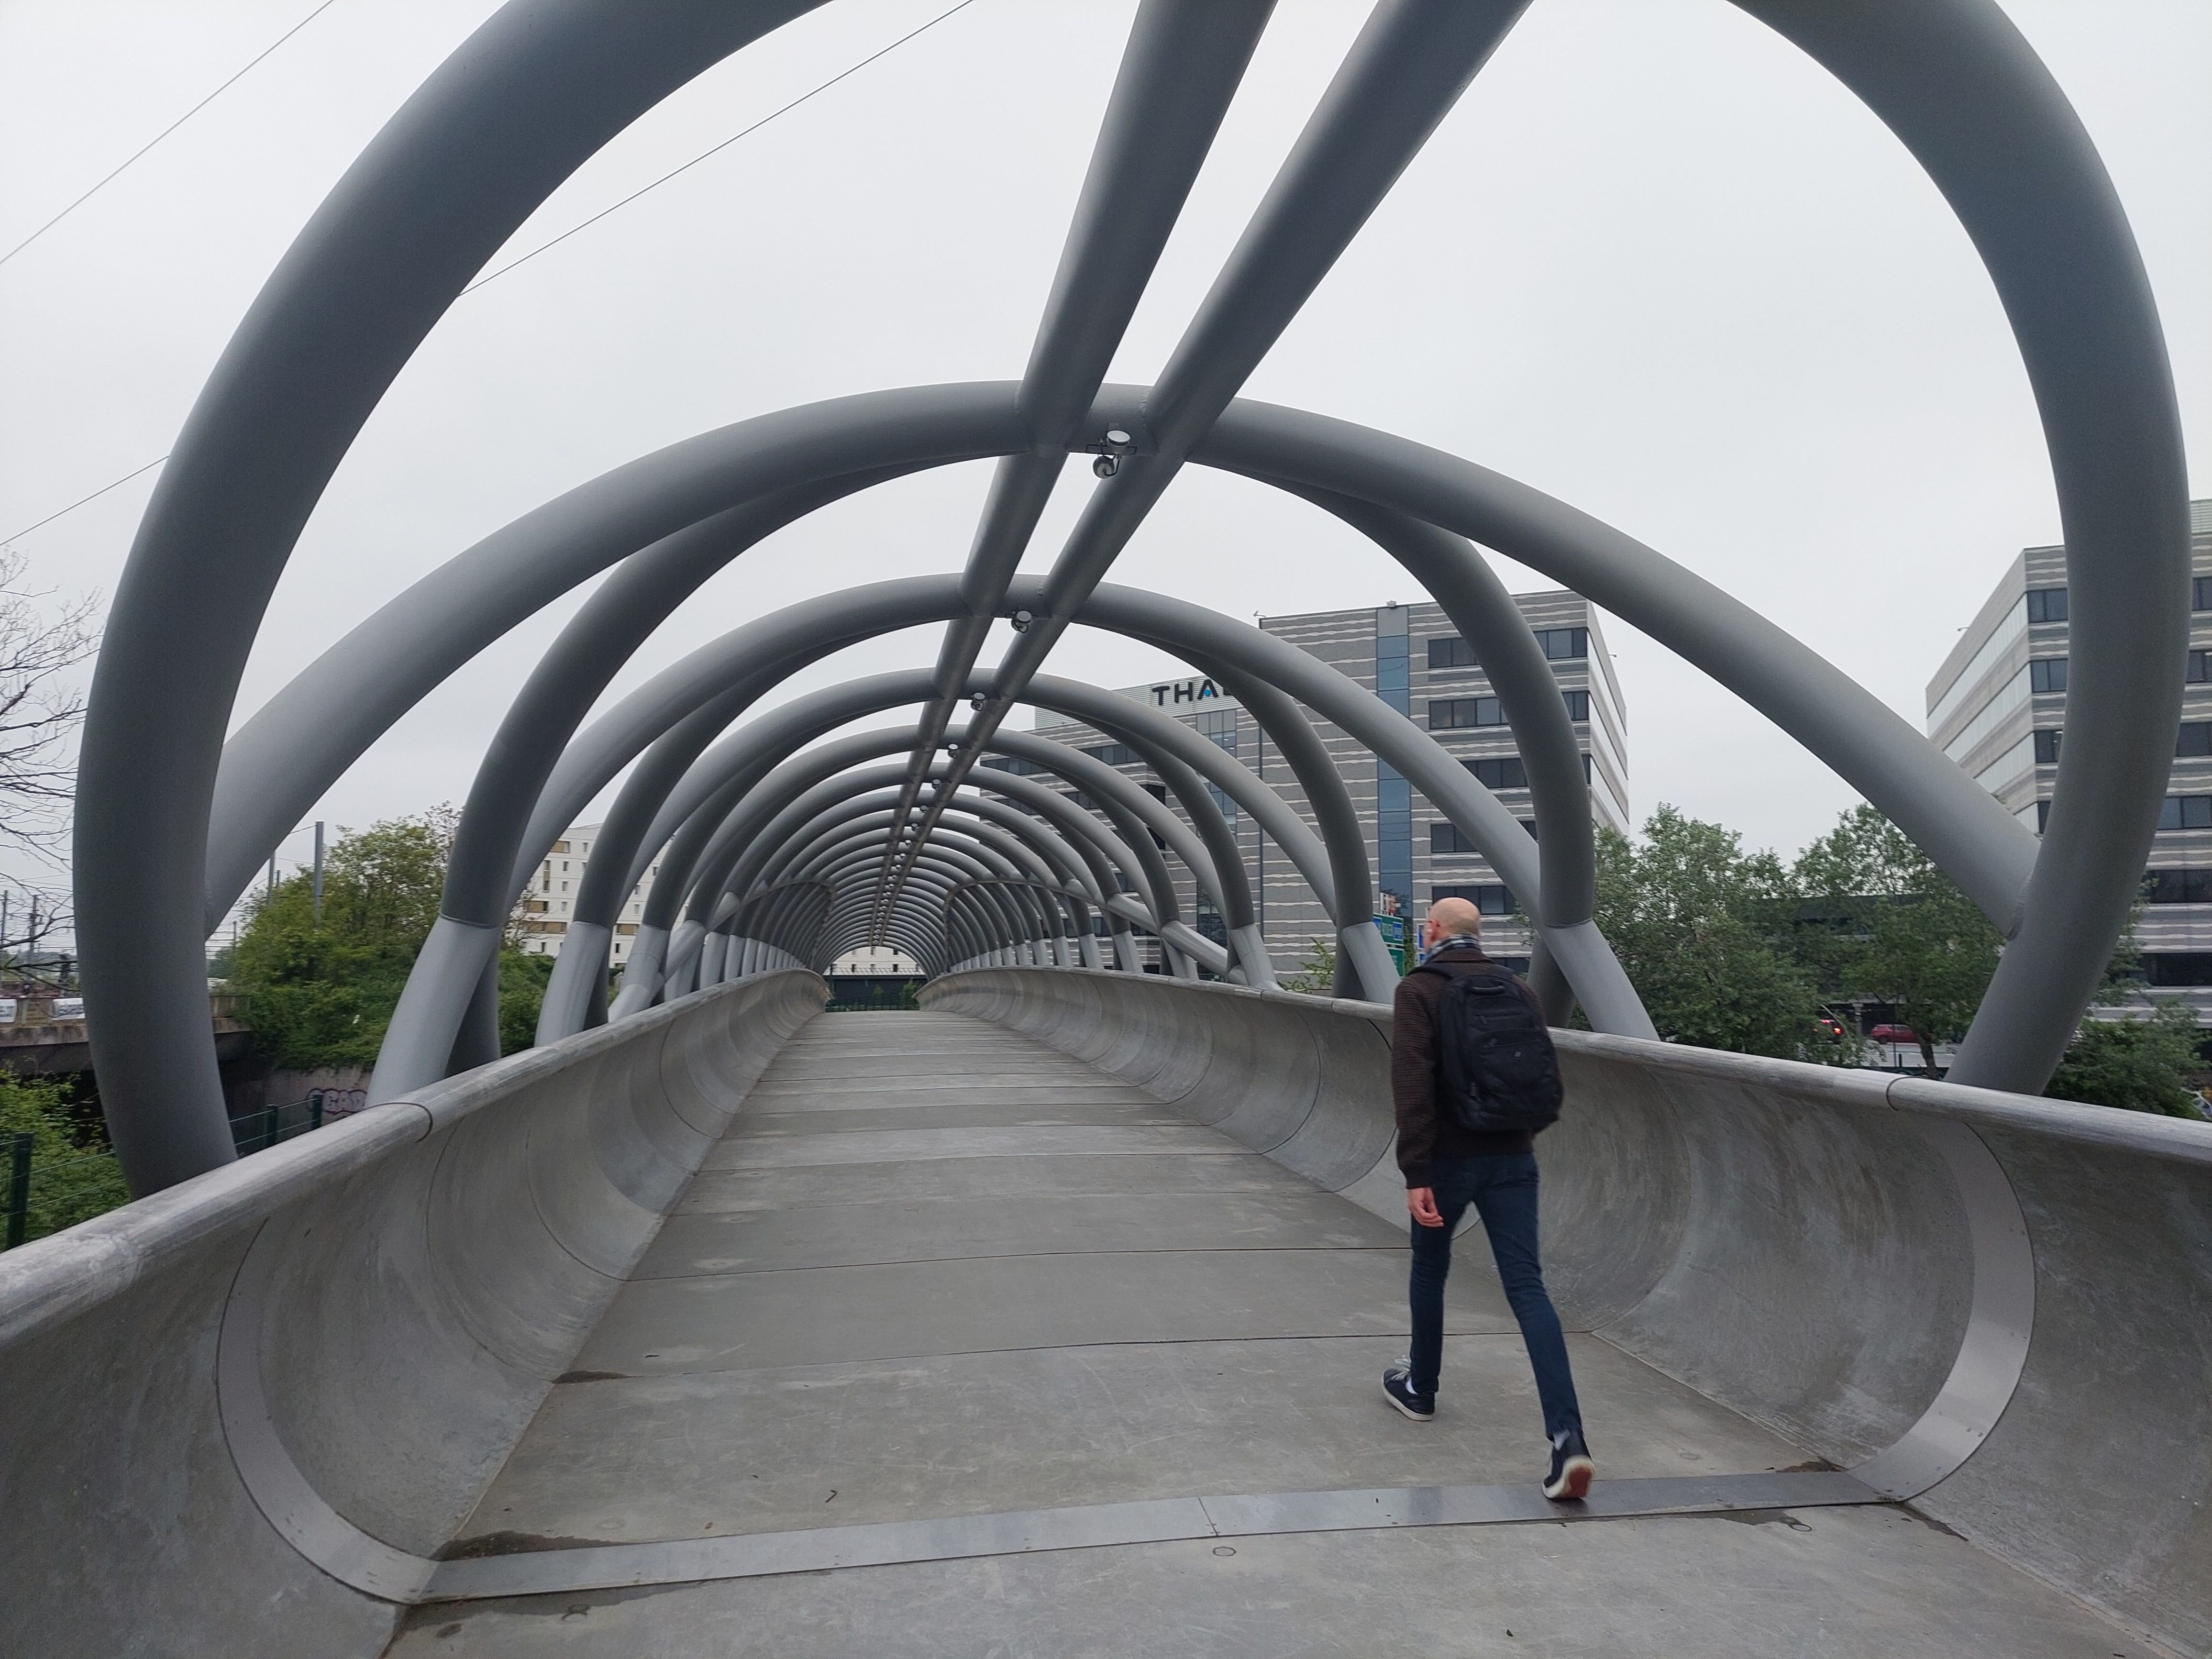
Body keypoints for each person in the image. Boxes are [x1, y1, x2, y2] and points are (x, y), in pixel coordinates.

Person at [1380, 895, 1594, 1502]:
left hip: (1447, 1161)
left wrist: (1415, 1169)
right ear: (1477, 936)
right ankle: (1567, 1439)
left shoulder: (1419, 990)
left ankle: (1420, 1389)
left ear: (1432, 931)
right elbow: (1538, 1070)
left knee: (1430, 1268)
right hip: (1513, 1156)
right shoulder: (1517, 988)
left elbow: (1412, 1084)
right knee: (1527, 1288)